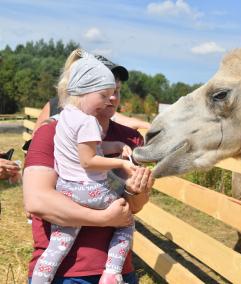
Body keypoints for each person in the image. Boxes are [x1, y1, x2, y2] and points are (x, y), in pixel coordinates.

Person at [24, 52, 154, 283]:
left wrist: (135, 191)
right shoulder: (50, 133)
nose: (112, 98)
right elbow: (37, 201)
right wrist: (105, 218)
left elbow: (134, 207)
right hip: (67, 273)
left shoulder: (130, 140)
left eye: (117, 90)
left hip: (120, 272)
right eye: (105, 92)